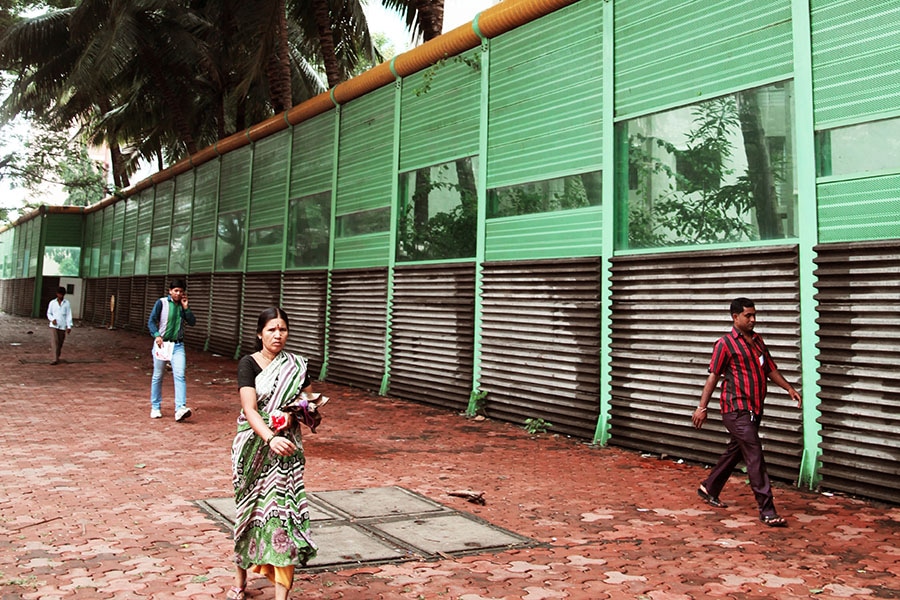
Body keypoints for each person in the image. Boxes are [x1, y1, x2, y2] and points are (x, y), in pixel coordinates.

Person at [229, 307, 318, 600]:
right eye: (271, 329)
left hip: (287, 451)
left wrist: (295, 416)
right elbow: (250, 409)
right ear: (259, 333)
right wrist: (269, 437)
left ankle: (282, 596)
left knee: (284, 518)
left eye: (282, 329)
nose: (278, 335)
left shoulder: (297, 366)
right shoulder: (248, 364)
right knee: (249, 515)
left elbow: (309, 403)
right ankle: (241, 582)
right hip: (254, 449)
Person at [692, 297, 802, 527]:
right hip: (736, 410)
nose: (753, 319)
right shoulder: (724, 344)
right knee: (754, 454)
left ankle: (709, 487)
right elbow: (713, 376)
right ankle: (768, 510)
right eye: (748, 316)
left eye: (754, 315)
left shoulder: (758, 341)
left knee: (737, 450)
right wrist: (702, 407)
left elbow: (770, 368)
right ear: (735, 317)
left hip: (754, 408)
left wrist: (789, 388)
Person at [147, 278, 196, 421]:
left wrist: (186, 308)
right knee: (158, 375)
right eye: (176, 291)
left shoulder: (182, 306)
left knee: (180, 375)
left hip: (178, 345)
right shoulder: (161, 303)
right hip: (162, 344)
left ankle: (180, 408)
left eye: (181, 291)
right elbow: (151, 321)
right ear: (170, 291)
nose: (178, 294)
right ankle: (155, 406)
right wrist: (156, 335)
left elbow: (192, 322)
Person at [47, 286, 73, 365]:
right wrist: (52, 319)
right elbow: (49, 313)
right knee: (55, 342)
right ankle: (54, 359)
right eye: (59, 294)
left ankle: (57, 356)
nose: (60, 296)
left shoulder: (67, 303)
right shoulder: (52, 303)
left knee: (60, 342)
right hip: (54, 326)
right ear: (57, 294)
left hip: (62, 325)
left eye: (62, 295)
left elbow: (69, 315)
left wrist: (69, 326)